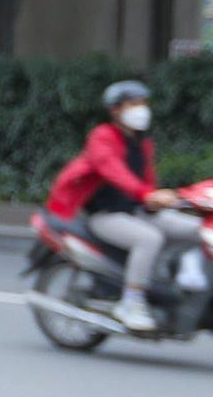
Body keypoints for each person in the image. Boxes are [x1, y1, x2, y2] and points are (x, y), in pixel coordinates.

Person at [45, 79, 196, 332]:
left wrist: (165, 200)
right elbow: (111, 169)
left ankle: (181, 283)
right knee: (149, 239)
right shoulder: (102, 136)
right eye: (134, 103)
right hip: (105, 216)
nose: (142, 109)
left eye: (144, 103)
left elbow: (147, 181)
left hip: (137, 211)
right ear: (116, 110)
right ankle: (131, 303)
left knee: (195, 229)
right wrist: (146, 193)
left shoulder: (142, 144)